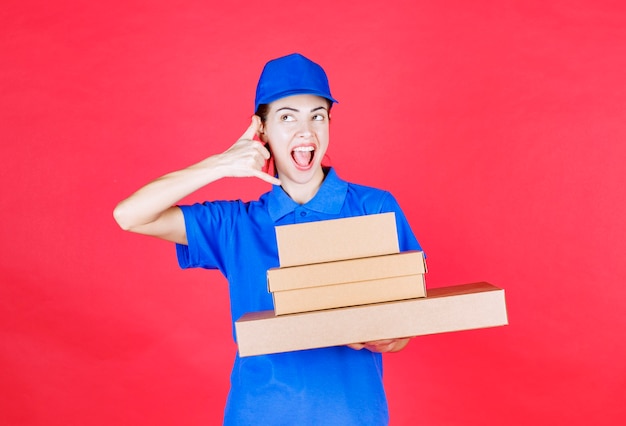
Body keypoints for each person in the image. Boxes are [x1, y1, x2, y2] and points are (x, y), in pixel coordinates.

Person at [114, 53, 423, 425]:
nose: (305, 131)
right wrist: (221, 164)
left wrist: (388, 335)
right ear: (261, 130)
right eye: (287, 117)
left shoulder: (374, 207)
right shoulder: (236, 224)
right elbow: (129, 215)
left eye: (317, 116)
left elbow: (409, 322)